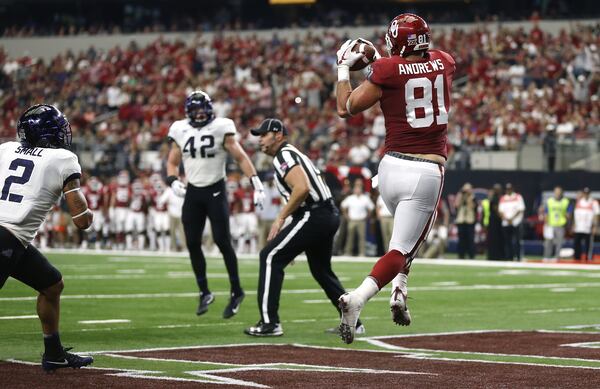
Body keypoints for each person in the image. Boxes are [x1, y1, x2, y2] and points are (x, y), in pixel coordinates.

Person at [334, 13, 455, 343]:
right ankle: (357, 299)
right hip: (425, 170)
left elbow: (345, 107)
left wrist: (345, 68)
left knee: (403, 243)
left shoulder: (386, 69)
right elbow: (415, 67)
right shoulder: (445, 62)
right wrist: (380, 60)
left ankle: (399, 289)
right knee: (402, 249)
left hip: (389, 169)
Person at [244, 118, 363, 336]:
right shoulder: (290, 153)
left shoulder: (284, 154)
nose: (260, 140)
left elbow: (301, 189)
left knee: (270, 256)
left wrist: (280, 219)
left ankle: (270, 323)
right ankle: (353, 321)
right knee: (321, 270)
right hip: (324, 214)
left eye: (263, 134)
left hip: (315, 214)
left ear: (278, 134)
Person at [0, 104, 94, 371]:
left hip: (14, 239)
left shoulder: (5, 149)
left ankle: (53, 353)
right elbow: (81, 220)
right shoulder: (62, 159)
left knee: (52, 284)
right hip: (8, 236)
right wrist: (88, 215)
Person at [166, 90, 265, 318]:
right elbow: (172, 161)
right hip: (192, 191)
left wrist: (255, 181)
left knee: (222, 241)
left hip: (215, 190)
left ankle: (236, 290)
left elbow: (240, 156)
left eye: (203, 110)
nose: (200, 115)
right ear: (188, 112)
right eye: (195, 111)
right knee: (191, 242)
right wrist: (172, 181)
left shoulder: (222, 126)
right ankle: (204, 291)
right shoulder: (179, 128)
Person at [341, 179, 375, 256]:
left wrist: (367, 216)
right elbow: (343, 206)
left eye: (359, 189)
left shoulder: (365, 198)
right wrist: (346, 216)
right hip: (352, 220)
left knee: (362, 238)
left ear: (361, 189)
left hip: (361, 220)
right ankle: (348, 252)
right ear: (354, 190)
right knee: (350, 237)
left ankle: (362, 253)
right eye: (356, 188)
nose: (357, 190)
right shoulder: (350, 198)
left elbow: (371, 208)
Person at [543, 186, 571, 261]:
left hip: (561, 225)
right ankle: (547, 257)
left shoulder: (565, 201)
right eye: (556, 192)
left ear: (561, 193)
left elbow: (569, 213)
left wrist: (567, 217)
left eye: (559, 192)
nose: (558, 193)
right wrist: (546, 223)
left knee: (559, 242)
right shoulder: (550, 201)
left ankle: (557, 257)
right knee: (548, 242)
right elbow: (546, 213)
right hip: (550, 224)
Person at [498, 183, 525, 261]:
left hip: (516, 222)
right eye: (507, 189)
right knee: (507, 241)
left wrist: (512, 219)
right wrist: (506, 219)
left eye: (509, 189)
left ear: (512, 189)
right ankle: (508, 257)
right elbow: (500, 211)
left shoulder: (518, 197)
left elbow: (520, 209)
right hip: (506, 223)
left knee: (517, 241)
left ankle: (518, 257)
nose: (508, 190)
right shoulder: (503, 198)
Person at [572, 187, 599, 261]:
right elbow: (576, 214)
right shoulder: (579, 201)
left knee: (588, 244)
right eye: (585, 193)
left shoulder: (593, 202)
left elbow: (596, 215)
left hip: (588, 227)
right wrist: (574, 224)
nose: (586, 195)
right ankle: (577, 258)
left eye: (587, 193)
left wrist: (595, 226)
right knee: (577, 243)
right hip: (579, 227)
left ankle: (588, 258)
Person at [454, 182, 477, 259]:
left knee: (470, 239)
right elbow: (456, 205)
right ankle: (461, 255)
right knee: (461, 239)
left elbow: (472, 206)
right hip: (461, 220)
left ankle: (471, 255)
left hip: (470, 220)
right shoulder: (460, 196)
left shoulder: (473, 197)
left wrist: (468, 196)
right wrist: (461, 195)